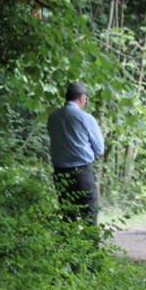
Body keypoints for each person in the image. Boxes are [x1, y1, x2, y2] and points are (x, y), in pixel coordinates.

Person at [47, 82, 105, 226]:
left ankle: (68, 246)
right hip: (81, 172)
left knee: (67, 213)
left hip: (59, 172)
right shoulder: (86, 118)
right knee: (89, 211)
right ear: (81, 98)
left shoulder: (53, 117)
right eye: (86, 99)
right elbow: (99, 149)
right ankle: (90, 246)